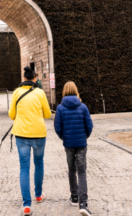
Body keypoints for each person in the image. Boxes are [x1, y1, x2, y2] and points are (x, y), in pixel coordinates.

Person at [9, 66, 52, 215]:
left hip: (21, 135)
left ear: (24, 79)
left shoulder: (16, 93)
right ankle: (38, 195)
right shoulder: (40, 93)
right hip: (39, 134)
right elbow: (47, 114)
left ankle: (27, 205)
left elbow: (11, 115)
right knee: (39, 163)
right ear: (34, 79)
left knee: (24, 167)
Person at [54, 81, 93, 216]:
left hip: (69, 144)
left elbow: (58, 128)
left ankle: (74, 196)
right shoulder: (83, 107)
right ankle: (83, 203)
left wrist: (64, 138)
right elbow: (89, 126)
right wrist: (84, 137)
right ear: (76, 90)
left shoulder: (60, 108)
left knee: (72, 169)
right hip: (81, 144)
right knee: (81, 171)